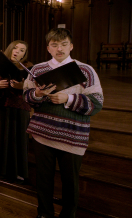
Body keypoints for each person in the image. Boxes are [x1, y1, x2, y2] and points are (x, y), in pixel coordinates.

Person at [23, 28, 103, 218]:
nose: (59, 49)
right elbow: (26, 98)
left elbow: (97, 104)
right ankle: (44, 213)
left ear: (71, 46)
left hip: (72, 135)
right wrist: (37, 95)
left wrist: (68, 99)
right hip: (42, 133)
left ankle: (68, 215)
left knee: (70, 181)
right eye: (54, 45)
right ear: (48, 48)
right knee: (43, 179)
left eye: (64, 44)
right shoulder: (37, 69)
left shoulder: (85, 70)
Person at [0, 40, 32, 183]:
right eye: (15, 48)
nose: (17, 51)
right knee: (1, 139)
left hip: (20, 108)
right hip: (1, 107)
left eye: (22, 50)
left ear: (25, 54)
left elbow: (34, 88)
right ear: (10, 49)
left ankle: (18, 172)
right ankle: (0, 170)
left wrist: (21, 86)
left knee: (18, 140)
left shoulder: (29, 67)